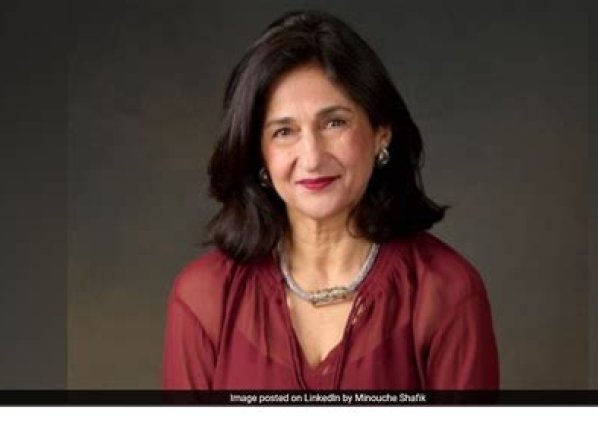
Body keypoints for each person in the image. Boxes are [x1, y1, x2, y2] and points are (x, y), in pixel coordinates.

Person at [162, 10, 499, 390]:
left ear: (381, 133)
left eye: (334, 122)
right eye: (284, 131)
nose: (311, 157)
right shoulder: (204, 297)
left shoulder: (446, 292)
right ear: (259, 154)